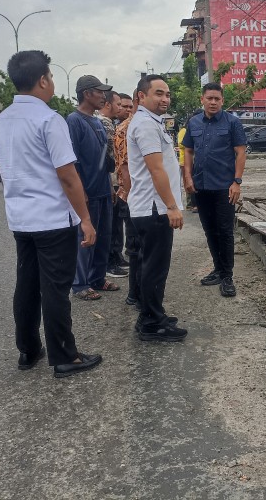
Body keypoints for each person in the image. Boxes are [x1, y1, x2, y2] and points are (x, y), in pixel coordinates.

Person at [0, 50, 102, 378]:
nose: (52, 82)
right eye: (51, 76)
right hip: (52, 220)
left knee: (26, 285)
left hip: (21, 220)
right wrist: (85, 218)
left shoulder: (1, 121)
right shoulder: (48, 119)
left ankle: (28, 350)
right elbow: (67, 175)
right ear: (42, 80)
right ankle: (65, 356)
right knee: (55, 289)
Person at [128, 74, 187, 341]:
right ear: (142, 96)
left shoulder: (150, 122)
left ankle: (150, 314)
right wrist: (172, 207)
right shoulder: (146, 125)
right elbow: (156, 169)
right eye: (159, 93)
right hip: (154, 209)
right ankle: (152, 323)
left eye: (167, 94)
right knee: (155, 266)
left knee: (148, 264)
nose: (165, 99)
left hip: (150, 207)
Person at [182, 82, 246, 298]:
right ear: (202, 99)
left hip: (224, 187)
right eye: (209, 98)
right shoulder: (194, 122)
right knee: (210, 230)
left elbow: (240, 153)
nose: (213, 102)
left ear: (222, 101)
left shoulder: (232, 123)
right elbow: (188, 151)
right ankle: (218, 269)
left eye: (217, 99)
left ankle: (227, 276)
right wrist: (187, 177)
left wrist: (236, 182)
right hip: (201, 186)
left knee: (225, 232)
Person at [66, 75, 118, 301]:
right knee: (87, 237)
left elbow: (104, 159)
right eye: (100, 91)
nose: (103, 96)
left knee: (104, 237)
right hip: (87, 192)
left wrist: (111, 187)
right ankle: (80, 284)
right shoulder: (74, 121)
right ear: (87, 93)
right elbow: (72, 160)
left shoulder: (97, 122)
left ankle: (97, 277)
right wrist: (81, 191)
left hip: (104, 189)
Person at [113, 90, 141, 307]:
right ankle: (135, 293)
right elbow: (124, 168)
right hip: (132, 197)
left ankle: (141, 291)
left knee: (143, 247)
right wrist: (133, 198)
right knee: (135, 247)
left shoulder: (148, 125)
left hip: (144, 197)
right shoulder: (125, 129)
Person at [98, 90, 128, 278]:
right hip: (111, 181)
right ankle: (110, 261)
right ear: (108, 104)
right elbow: (109, 159)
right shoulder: (104, 124)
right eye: (119, 104)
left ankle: (115, 257)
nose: (121, 108)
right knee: (111, 223)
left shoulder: (111, 124)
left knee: (117, 223)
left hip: (114, 181)